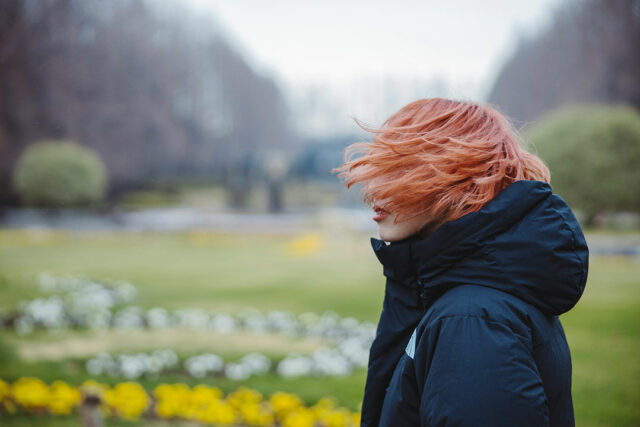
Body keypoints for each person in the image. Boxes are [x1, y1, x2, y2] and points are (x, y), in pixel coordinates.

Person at [333, 98, 589, 426]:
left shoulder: (472, 320)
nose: (372, 189)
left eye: (396, 169)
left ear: (454, 175)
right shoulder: (478, 297)